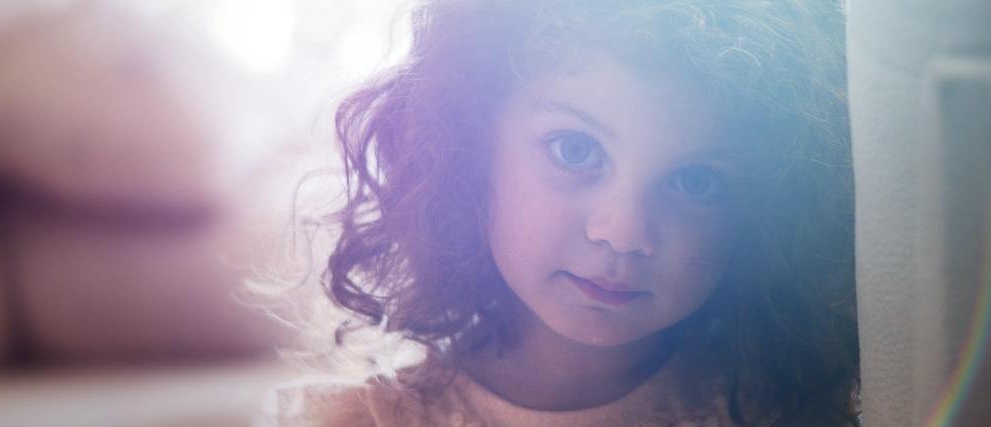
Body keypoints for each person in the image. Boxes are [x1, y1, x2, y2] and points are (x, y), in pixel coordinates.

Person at [268, 0, 858, 425]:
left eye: (695, 182)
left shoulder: (786, 411)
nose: (625, 232)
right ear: (470, 146)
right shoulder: (358, 420)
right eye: (575, 150)